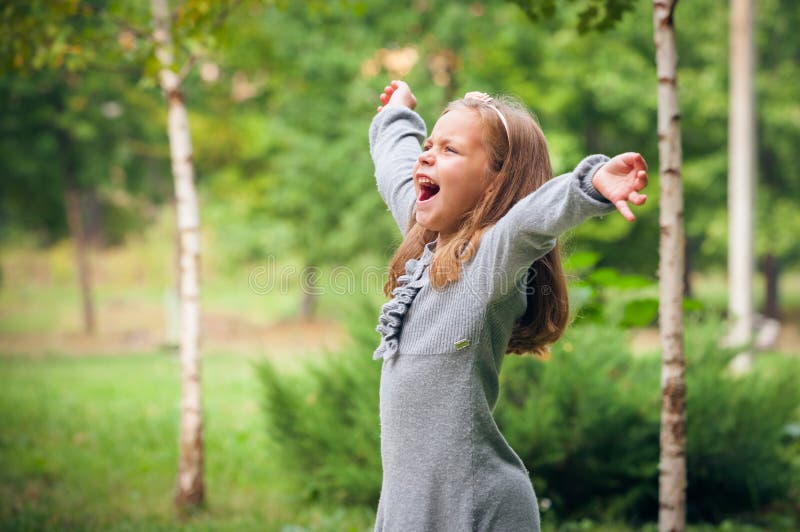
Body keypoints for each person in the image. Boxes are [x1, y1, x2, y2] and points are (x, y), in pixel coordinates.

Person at [369, 80, 648, 531]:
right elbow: (395, 167)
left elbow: (529, 223)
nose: (427, 156)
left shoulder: (487, 263)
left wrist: (590, 185)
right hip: (408, 507)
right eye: (429, 145)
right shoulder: (424, 240)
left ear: (494, 181)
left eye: (450, 151)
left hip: (477, 505)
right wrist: (399, 114)